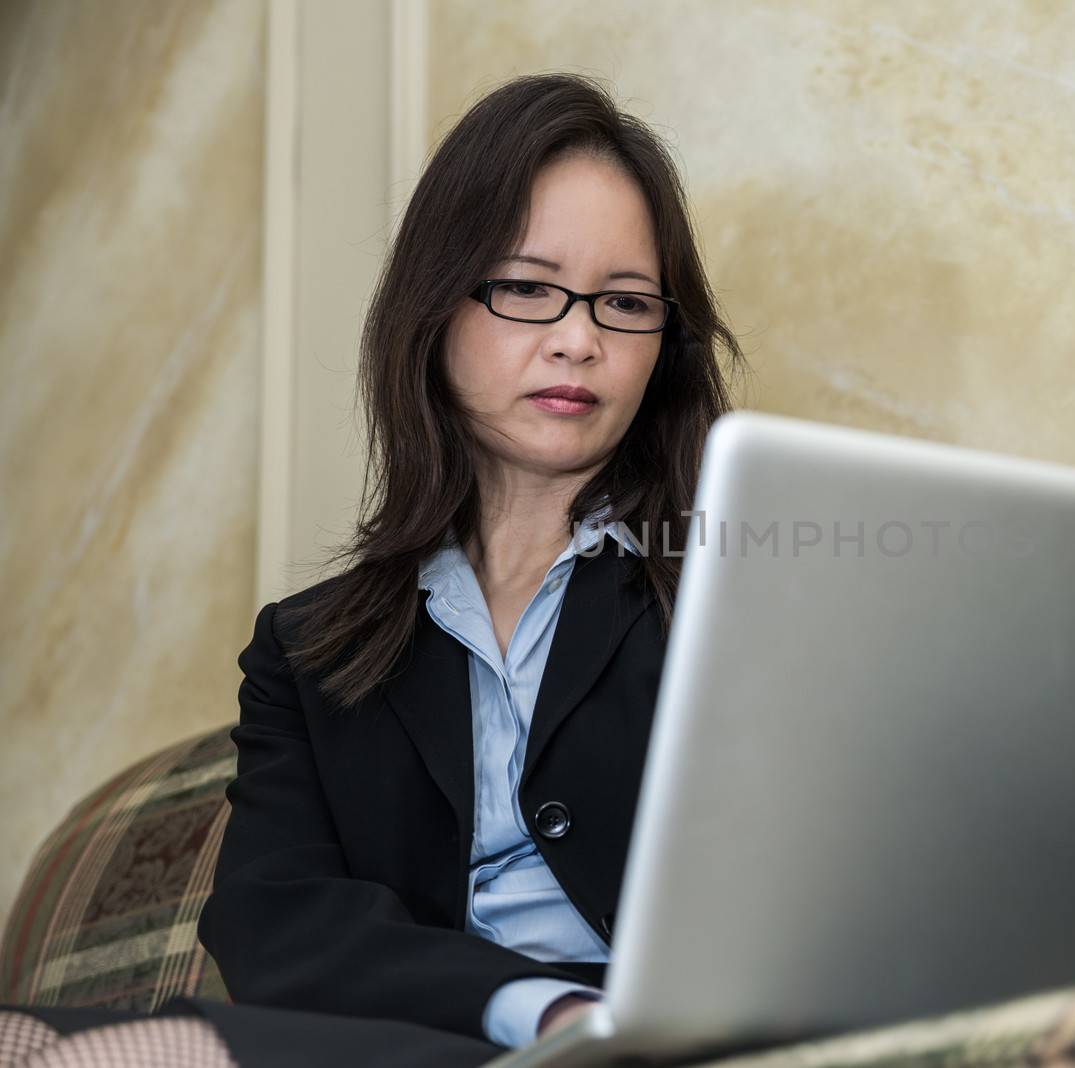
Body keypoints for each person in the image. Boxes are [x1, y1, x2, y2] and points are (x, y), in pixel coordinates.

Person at [0, 71, 744, 1068]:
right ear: (435, 311)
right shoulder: (307, 649)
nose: (580, 339)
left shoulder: (727, 585)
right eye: (527, 287)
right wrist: (541, 1012)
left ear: (667, 343)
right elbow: (277, 923)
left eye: (624, 302)